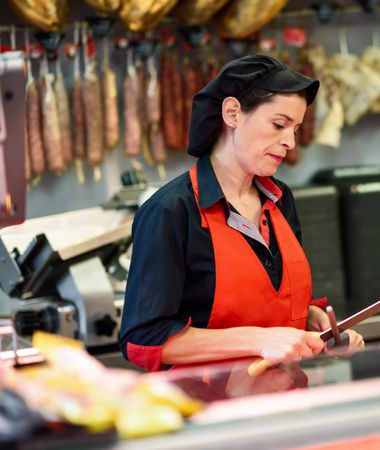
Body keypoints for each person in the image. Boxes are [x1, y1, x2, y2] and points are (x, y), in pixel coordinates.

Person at [119, 55, 364, 372]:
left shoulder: (280, 199)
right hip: (210, 412)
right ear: (232, 113)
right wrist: (259, 340)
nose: (290, 141)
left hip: (283, 402)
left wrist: (315, 323)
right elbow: (144, 338)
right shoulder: (171, 211)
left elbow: (276, 302)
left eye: (296, 128)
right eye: (279, 125)